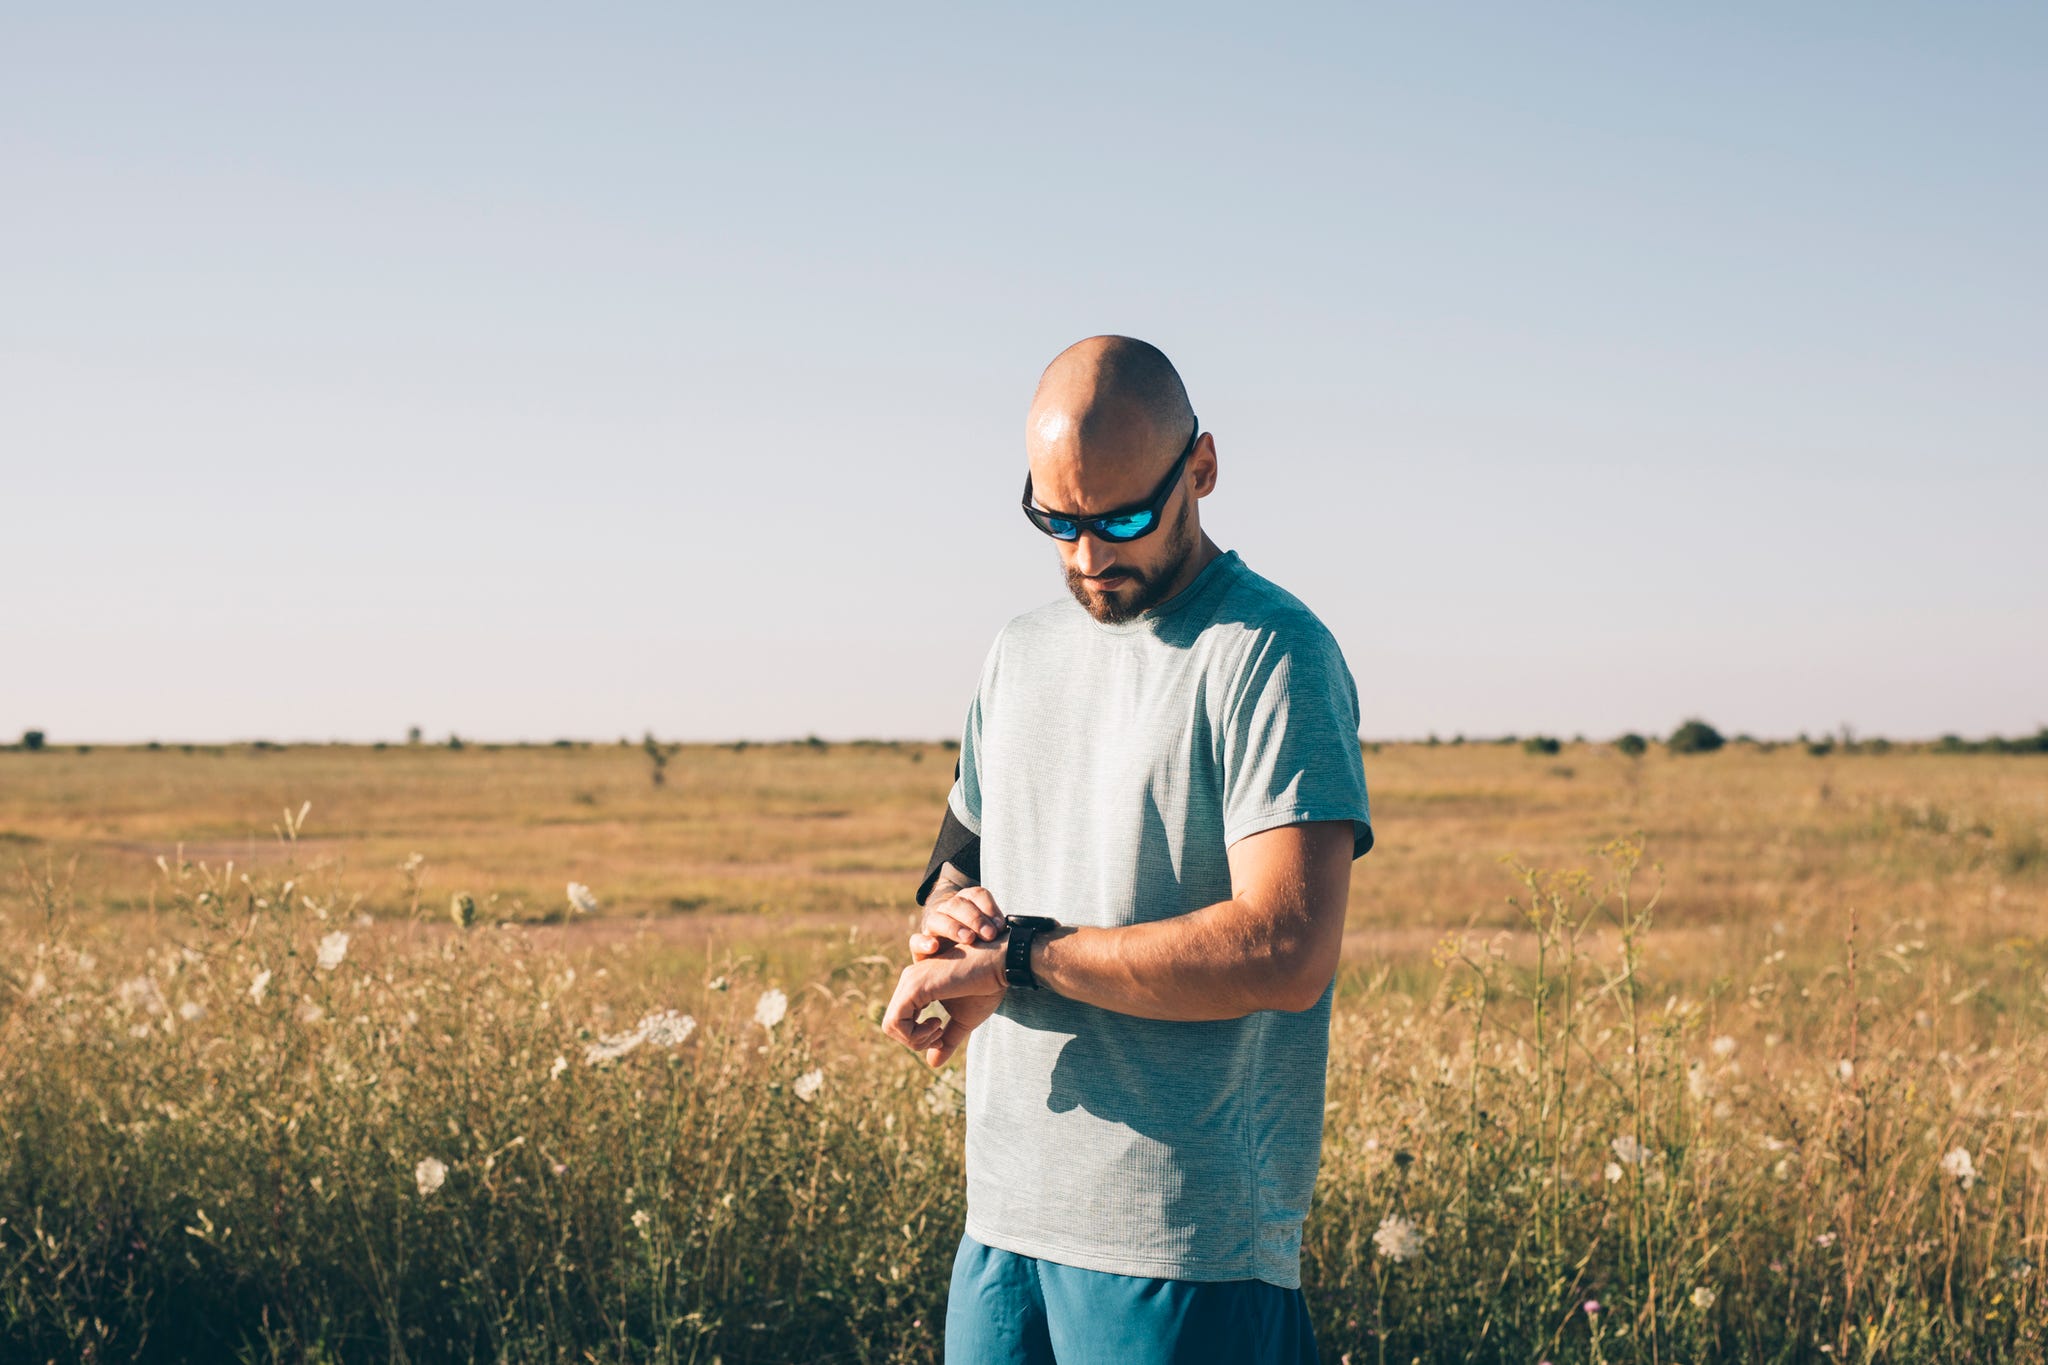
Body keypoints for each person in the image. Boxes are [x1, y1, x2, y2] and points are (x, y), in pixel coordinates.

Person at [883, 335, 1373, 1364]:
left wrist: (1022, 957)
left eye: (1121, 519)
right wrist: (948, 926)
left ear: (1199, 469)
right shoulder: (1016, 653)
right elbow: (956, 862)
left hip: (1182, 1247)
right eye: (1053, 521)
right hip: (1002, 1230)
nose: (1087, 557)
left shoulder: (1270, 655)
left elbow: (1285, 951)